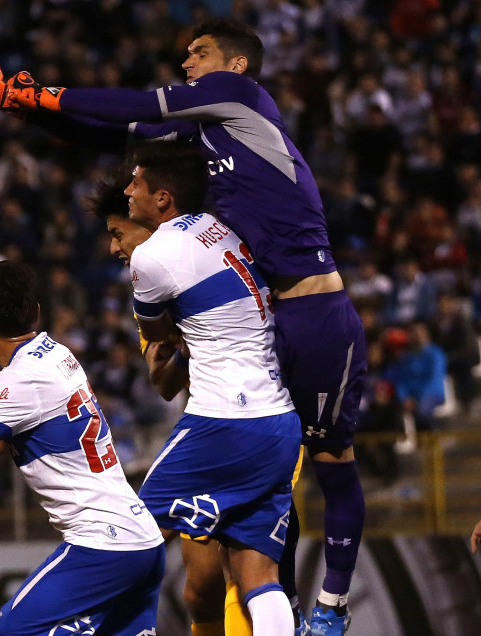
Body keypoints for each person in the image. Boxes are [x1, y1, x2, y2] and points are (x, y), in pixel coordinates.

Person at [0, 19, 366, 635]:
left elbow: (138, 102)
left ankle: (332, 611)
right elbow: (117, 133)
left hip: (315, 312)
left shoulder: (243, 102)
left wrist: (44, 91)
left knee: (331, 461)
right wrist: (21, 107)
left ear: (234, 65)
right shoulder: (199, 142)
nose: (186, 65)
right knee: (256, 538)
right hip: (268, 330)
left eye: (198, 54)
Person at [128, 143, 300, 636]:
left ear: (162, 199)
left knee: (126, 530)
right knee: (259, 576)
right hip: (278, 423)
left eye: (136, 183)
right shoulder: (220, 227)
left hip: (223, 421)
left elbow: (158, 336)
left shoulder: (152, 255)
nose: (128, 190)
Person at [0, 260, 165, 636]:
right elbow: (12, 425)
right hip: (144, 538)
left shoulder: (16, 381)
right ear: (37, 311)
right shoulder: (57, 353)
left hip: (103, 543)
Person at [90, 167, 254, 636]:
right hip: (206, 424)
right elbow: (162, 382)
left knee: (242, 574)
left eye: (119, 234)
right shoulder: (150, 288)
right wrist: (189, 346)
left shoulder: (211, 251)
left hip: (255, 418)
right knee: (198, 587)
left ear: (154, 226)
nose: (113, 248)